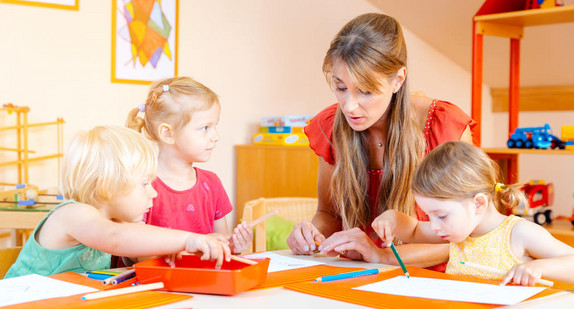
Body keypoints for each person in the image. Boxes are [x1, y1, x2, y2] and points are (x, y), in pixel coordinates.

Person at [286, 13, 475, 269]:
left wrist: (383, 256)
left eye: (365, 91)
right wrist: (310, 235)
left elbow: (467, 236)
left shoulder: (444, 128)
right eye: (341, 88)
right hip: (356, 274)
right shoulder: (330, 126)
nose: (349, 107)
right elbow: (328, 214)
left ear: (397, 80)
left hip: (430, 281)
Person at [5, 126, 231, 279]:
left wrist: (171, 248)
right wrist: (187, 239)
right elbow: (115, 238)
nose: (153, 193)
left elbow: (139, 247)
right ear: (107, 185)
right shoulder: (73, 215)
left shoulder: (116, 222)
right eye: (144, 184)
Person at [372, 141, 574, 286]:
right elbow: (414, 230)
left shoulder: (518, 233)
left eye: (441, 216)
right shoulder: (458, 232)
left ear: (478, 203)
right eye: (429, 215)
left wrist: (539, 268)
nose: (434, 226)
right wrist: (392, 218)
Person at [126, 77, 252, 254]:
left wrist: (233, 247)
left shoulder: (212, 184)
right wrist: (186, 249)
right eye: (205, 128)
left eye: (215, 126)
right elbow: (136, 253)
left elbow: (220, 246)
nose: (216, 136)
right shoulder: (142, 186)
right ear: (168, 133)